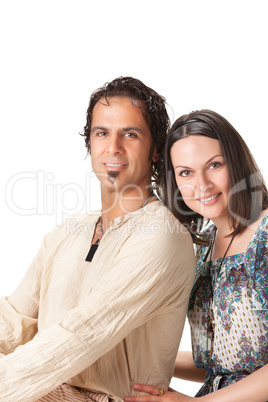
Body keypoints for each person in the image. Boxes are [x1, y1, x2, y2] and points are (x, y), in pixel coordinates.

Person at [0, 77, 196, 401]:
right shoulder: (67, 232)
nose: (113, 147)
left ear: (156, 150)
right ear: (90, 143)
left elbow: (83, 334)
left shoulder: (163, 236)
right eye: (102, 133)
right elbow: (14, 319)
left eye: (130, 134)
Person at [124, 110, 268, 401]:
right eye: (186, 172)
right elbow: (224, 366)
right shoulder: (204, 247)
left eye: (214, 165)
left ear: (237, 163)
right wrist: (141, 360)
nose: (202, 185)